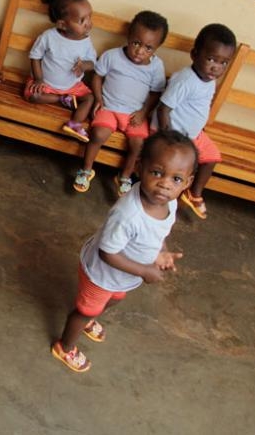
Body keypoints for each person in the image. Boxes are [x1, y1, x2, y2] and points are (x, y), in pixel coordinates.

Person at [52, 130, 197, 372]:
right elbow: (107, 253)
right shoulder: (128, 214)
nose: (165, 184)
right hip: (101, 275)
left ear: (188, 182)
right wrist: (144, 271)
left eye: (176, 179)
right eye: (157, 173)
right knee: (85, 310)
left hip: (123, 277)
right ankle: (65, 347)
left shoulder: (169, 203)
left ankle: (90, 320)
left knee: (115, 299)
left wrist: (162, 252)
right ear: (140, 168)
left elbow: (159, 234)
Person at [73, 10, 169, 196]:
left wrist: (143, 112)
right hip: (109, 107)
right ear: (128, 36)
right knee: (98, 134)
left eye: (148, 48)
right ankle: (85, 170)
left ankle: (125, 176)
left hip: (134, 114)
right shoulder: (112, 56)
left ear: (157, 48)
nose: (140, 51)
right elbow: (97, 77)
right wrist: (99, 99)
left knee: (139, 145)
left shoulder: (156, 66)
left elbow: (156, 92)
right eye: (136, 43)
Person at [155, 24, 237, 219]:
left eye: (224, 63)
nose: (216, 67)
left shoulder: (210, 79)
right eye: (210, 59)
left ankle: (194, 193)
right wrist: (168, 138)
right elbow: (163, 108)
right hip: (175, 135)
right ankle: (164, 197)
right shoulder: (186, 81)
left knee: (213, 157)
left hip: (194, 134)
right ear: (194, 54)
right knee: (177, 164)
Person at [24, 0, 97, 142]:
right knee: (33, 95)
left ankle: (75, 123)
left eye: (89, 17)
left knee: (90, 99)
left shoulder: (86, 41)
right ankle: (63, 100)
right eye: (82, 20)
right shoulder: (49, 37)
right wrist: (38, 79)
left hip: (73, 87)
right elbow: (35, 56)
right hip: (47, 85)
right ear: (62, 24)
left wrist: (84, 65)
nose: (88, 23)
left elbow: (93, 63)